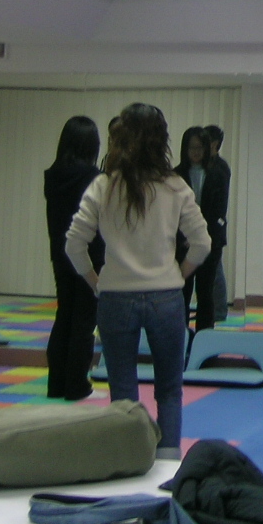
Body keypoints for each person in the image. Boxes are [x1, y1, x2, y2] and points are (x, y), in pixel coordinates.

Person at [66, 103, 210, 459]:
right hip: (165, 296)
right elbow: (202, 243)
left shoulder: (104, 185)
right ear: (162, 141)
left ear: (119, 138)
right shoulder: (175, 186)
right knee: (170, 389)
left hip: (115, 297)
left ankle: (129, 458)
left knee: (123, 390)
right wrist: (178, 274)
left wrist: (95, 281)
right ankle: (168, 459)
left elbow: (74, 244)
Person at [44, 116, 103, 401]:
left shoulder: (53, 175)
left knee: (65, 315)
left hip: (60, 253)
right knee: (84, 320)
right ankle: (78, 385)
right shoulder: (94, 178)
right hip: (89, 256)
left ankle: (56, 384)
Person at [175, 126, 230, 332]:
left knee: (205, 291)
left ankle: (204, 336)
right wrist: (185, 237)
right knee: (182, 290)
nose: (196, 152)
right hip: (182, 242)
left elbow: (219, 211)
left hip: (210, 240)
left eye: (200, 147)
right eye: (192, 147)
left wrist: (202, 237)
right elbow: (172, 213)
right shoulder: (175, 175)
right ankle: (180, 335)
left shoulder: (218, 173)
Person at [203, 124, 230, 323]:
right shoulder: (201, 165)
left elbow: (218, 203)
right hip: (201, 223)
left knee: (215, 269)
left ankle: (219, 311)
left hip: (214, 224)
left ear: (214, 144)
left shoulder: (220, 167)